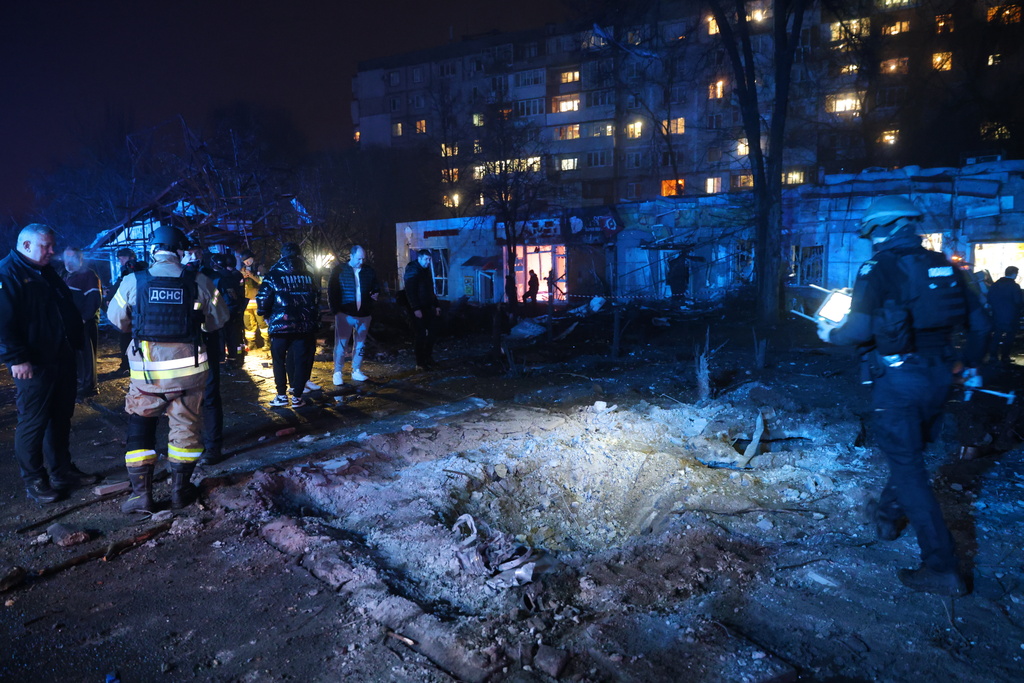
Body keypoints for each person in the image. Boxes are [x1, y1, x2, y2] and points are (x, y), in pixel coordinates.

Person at [817, 196, 990, 597]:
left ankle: (942, 566)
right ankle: (888, 516)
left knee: (909, 467)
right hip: (940, 376)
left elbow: (858, 332)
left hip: (897, 380)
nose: (869, 240)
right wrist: (966, 363)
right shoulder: (945, 265)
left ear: (882, 228)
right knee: (909, 454)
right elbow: (981, 324)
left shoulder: (877, 268)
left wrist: (830, 334)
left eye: (870, 233)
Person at [107, 226, 229, 513]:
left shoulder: (132, 281)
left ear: (153, 249)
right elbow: (218, 320)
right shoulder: (200, 281)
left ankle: (141, 496)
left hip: (147, 376)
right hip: (188, 376)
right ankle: (180, 491)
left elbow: (117, 320)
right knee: (185, 430)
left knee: (140, 429)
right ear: (181, 251)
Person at [0, 224, 98, 504]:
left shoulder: (44, 271)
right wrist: (16, 358)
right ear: (27, 245)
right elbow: (3, 323)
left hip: (61, 356)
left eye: (52, 245)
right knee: (33, 421)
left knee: (60, 418)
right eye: (46, 246)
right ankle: (35, 479)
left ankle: (62, 471)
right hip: (34, 363)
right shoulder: (8, 273)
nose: (52, 251)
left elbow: (62, 307)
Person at [256, 243, 321, 407]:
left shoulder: (273, 275)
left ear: (282, 256)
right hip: (303, 327)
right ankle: (297, 397)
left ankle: (281, 395)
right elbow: (316, 298)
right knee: (300, 360)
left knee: (279, 360)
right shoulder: (309, 276)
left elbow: (263, 297)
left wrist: (265, 314)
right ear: (299, 256)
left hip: (280, 325)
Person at [328, 245, 379, 386]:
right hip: (345, 313)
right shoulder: (339, 270)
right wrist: (336, 310)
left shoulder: (368, 271)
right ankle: (338, 371)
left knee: (360, 343)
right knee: (341, 343)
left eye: (363, 258)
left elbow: (376, 285)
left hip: (364, 313)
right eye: (358, 258)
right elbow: (332, 291)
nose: (361, 261)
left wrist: (375, 293)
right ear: (351, 255)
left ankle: (356, 369)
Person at [63, 247, 103, 400]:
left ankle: (89, 387)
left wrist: (84, 318)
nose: (68, 262)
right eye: (66, 258)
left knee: (86, 356)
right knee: (76, 356)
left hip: (85, 323)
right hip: (73, 324)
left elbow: (94, 300)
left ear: (80, 259)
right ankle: (79, 384)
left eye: (71, 258)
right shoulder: (68, 275)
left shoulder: (88, 275)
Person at [403, 249, 440, 369]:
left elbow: (430, 290)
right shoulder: (413, 270)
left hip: (427, 306)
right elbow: (410, 290)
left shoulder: (425, 270)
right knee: (420, 335)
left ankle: (427, 358)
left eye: (429, 260)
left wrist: (436, 304)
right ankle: (420, 362)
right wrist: (415, 308)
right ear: (419, 258)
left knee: (432, 333)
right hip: (419, 308)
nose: (428, 262)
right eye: (426, 259)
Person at [111, 247, 145, 373]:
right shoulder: (125, 270)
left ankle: (130, 364)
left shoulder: (140, 269)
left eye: (122, 258)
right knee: (125, 338)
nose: (120, 262)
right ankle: (126, 364)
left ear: (131, 258)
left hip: (136, 310)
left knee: (132, 338)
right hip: (129, 311)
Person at [986, 266, 1022, 363]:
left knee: (996, 336)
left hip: (997, 315)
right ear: (1014, 274)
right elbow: (1018, 301)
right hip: (1011, 316)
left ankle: (993, 356)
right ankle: (1005, 356)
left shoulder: (995, 285)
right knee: (1009, 337)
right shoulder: (1014, 287)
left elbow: (989, 298)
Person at [238, 249, 268, 351]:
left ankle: (267, 342)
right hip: (246, 301)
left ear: (252, 258)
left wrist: (251, 275)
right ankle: (251, 342)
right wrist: (242, 276)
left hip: (258, 301)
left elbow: (263, 282)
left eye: (248, 260)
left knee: (262, 323)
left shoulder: (260, 268)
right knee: (248, 324)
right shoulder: (242, 269)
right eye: (244, 261)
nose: (246, 262)